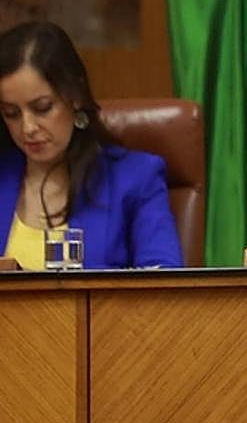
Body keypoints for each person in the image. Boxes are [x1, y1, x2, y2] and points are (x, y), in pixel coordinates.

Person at [0, 21, 183, 269]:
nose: (28, 127)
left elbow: (163, 279)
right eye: (11, 113)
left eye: (42, 108)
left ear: (75, 95)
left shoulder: (135, 178)